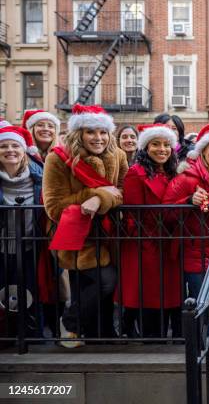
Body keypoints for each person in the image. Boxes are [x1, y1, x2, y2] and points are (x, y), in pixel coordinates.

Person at [42, 104, 128, 347]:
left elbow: (122, 191)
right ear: (78, 133)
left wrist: (100, 198)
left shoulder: (118, 155)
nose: (98, 138)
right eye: (90, 132)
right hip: (77, 235)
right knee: (104, 281)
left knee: (101, 288)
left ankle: (101, 336)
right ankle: (69, 324)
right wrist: (93, 194)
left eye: (103, 132)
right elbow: (54, 206)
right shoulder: (58, 158)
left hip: (109, 233)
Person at [120, 124, 181, 338]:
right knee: (149, 297)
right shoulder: (136, 173)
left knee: (168, 296)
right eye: (156, 144)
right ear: (146, 147)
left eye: (166, 145)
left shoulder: (173, 171)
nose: (162, 149)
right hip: (145, 244)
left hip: (169, 243)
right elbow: (134, 214)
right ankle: (151, 341)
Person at [163, 125, 209, 297]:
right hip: (192, 253)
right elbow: (164, 214)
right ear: (202, 151)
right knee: (200, 307)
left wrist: (206, 204)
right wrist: (188, 201)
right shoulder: (185, 178)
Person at [0, 126, 44, 336]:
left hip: (31, 247)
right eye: (3, 146)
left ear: (24, 150)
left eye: (15, 145)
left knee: (31, 294)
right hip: (2, 247)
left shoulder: (40, 177)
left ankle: (32, 337)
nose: (10, 150)